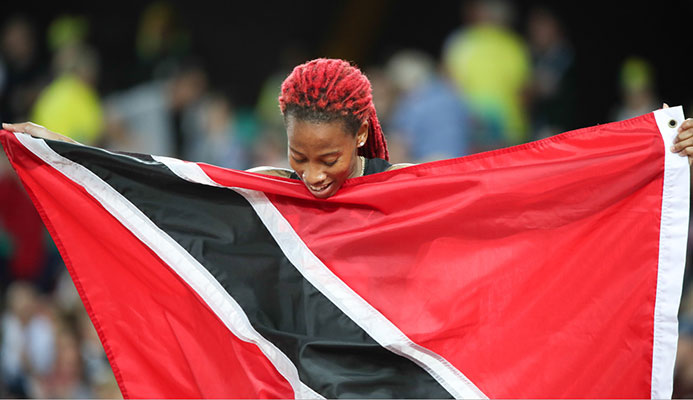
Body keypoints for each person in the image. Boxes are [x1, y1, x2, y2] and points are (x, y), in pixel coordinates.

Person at [2, 58, 693, 200]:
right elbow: (162, 181)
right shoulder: (273, 190)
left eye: (326, 157)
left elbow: (534, 175)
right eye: (297, 156)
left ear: (362, 134)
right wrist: (62, 152)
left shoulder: (414, 187)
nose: (310, 174)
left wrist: (654, 146)